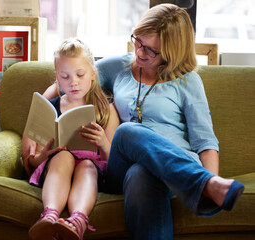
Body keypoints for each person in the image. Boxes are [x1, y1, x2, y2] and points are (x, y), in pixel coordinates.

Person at [23, 4, 244, 240]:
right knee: (127, 133)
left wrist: (212, 175)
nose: (139, 52)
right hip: (120, 166)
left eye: (151, 50)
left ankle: (205, 184)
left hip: (172, 171)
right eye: (137, 41)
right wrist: (38, 116)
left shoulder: (188, 82)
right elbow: (74, 77)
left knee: (141, 173)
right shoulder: (118, 66)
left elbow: (205, 142)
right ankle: (203, 184)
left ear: (173, 51)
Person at [22, 38, 120, 240]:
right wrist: (43, 157)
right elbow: (33, 159)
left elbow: (115, 160)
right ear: (57, 78)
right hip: (56, 167)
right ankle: (49, 217)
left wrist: (102, 142)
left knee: (87, 165)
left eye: (80, 74)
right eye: (65, 76)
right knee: (63, 157)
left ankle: (78, 221)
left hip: (91, 172)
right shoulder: (51, 106)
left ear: (93, 73)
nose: (73, 82)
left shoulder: (106, 108)